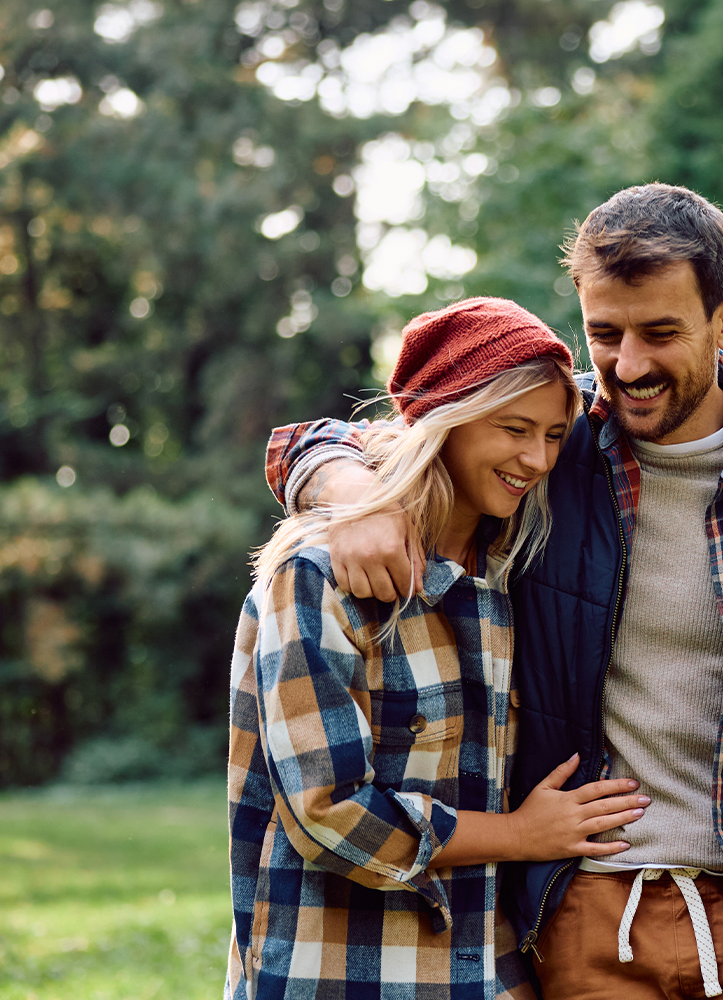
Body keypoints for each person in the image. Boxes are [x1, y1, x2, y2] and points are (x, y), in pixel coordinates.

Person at [263, 184, 723, 999]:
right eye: (603, 333)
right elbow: (324, 438)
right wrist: (352, 496)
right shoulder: (551, 443)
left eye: (661, 333)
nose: (627, 366)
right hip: (592, 913)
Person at [226, 297, 652, 1000]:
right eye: (514, 429)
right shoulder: (319, 575)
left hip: (488, 974)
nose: (537, 459)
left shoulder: (515, 572)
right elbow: (328, 814)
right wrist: (519, 835)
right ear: (444, 422)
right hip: (338, 975)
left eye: (552, 435)